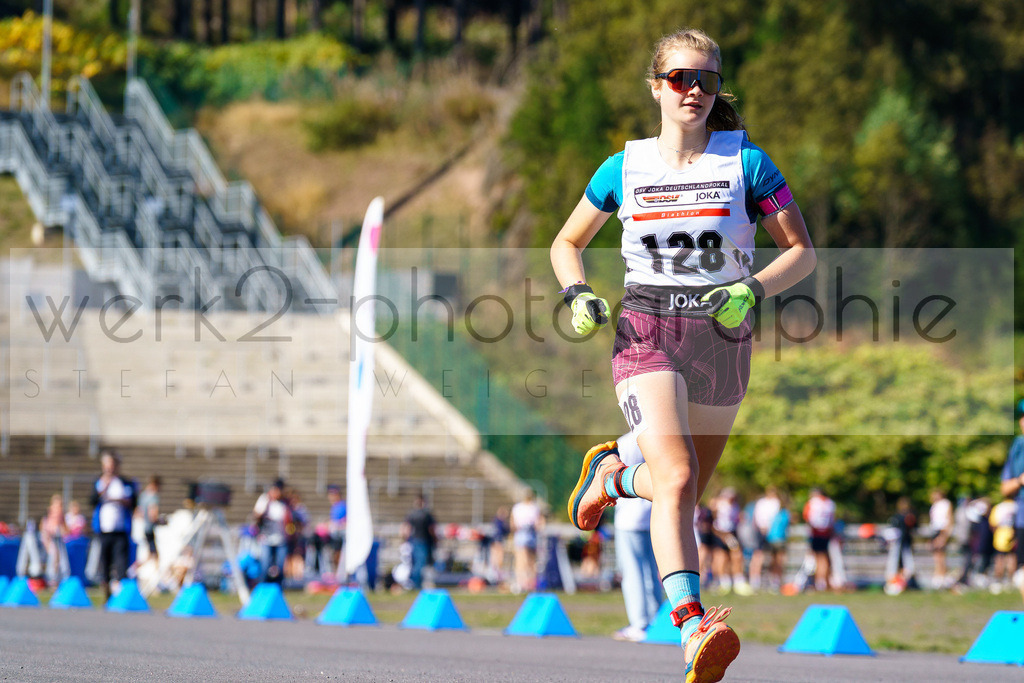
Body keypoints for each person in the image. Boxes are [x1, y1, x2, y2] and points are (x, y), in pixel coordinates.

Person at [554, 27, 816, 681]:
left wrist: (752, 285)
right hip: (648, 330)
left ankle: (613, 475)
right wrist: (577, 293)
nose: (694, 89)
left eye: (706, 79)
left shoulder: (748, 164)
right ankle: (693, 623)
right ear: (657, 88)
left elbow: (802, 252)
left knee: (687, 487)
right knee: (673, 477)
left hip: (724, 338)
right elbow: (567, 241)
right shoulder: (624, 168)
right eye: (680, 78)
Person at [611, 432, 665, 642]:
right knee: (651, 571)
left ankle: (639, 623)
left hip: (629, 517)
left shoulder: (628, 441)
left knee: (633, 572)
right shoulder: (661, 435)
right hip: (652, 514)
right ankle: (656, 619)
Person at [90, 450, 138, 601]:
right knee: (105, 562)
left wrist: (121, 500)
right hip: (104, 530)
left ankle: (122, 594)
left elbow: (133, 502)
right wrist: (104, 488)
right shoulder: (99, 482)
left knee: (121, 562)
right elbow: (92, 501)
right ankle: (106, 594)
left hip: (121, 529)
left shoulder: (125, 483)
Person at [1000, 400, 1024, 602]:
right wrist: (1020, 480)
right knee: (1022, 573)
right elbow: (1004, 488)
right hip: (1022, 519)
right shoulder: (1017, 447)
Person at [252, 479, 291, 584]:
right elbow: (256, 515)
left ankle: (278, 589)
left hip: (281, 539)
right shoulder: (265, 500)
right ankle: (263, 586)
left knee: (280, 565)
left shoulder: (285, 503)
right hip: (267, 538)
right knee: (265, 565)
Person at [748, 486, 782, 592]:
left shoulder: (777, 503)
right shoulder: (762, 502)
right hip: (762, 532)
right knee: (758, 555)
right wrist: (762, 528)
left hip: (773, 534)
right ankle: (755, 580)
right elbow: (758, 517)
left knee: (776, 557)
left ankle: (775, 582)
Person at [803, 488, 836, 591]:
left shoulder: (812, 503)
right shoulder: (829, 503)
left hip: (816, 533)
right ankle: (823, 582)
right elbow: (832, 519)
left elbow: (807, 517)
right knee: (825, 557)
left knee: (819, 558)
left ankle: (819, 582)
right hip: (826, 534)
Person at [510, 489, 543, 593]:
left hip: (521, 534)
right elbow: (539, 523)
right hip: (530, 534)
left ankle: (522, 583)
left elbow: (513, 524)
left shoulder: (518, 508)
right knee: (530, 560)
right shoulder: (534, 507)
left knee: (521, 560)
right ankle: (530, 583)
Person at [402, 494, 437, 590]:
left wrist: (405, 539)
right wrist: (435, 539)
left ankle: (414, 583)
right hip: (422, 541)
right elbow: (432, 529)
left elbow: (405, 529)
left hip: (414, 541)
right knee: (420, 564)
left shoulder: (412, 514)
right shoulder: (426, 514)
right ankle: (415, 583)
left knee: (415, 563)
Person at [39, 493, 69, 586]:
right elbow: (44, 527)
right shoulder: (50, 512)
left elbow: (65, 528)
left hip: (58, 538)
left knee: (60, 558)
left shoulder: (61, 514)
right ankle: (51, 579)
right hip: (50, 538)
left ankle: (61, 578)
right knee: (53, 558)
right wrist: (46, 539)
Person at [927, 488, 953, 589]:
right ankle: (938, 575)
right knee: (936, 555)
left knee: (941, 555)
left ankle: (942, 576)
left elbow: (949, 520)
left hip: (942, 530)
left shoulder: (946, 504)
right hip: (935, 530)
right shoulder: (935, 505)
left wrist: (944, 535)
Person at [136, 476, 162, 564]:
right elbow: (153, 514)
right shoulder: (153, 497)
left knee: (146, 552)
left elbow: (138, 512)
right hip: (150, 528)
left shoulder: (143, 495)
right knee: (154, 553)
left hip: (142, 527)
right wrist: (159, 521)